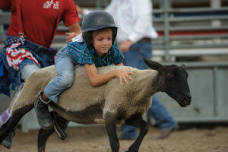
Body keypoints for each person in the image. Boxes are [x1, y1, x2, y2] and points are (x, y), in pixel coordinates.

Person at [0, 0, 81, 148]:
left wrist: (76, 37)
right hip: (18, 46)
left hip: (43, 53)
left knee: (69, 77)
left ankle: (59, 119)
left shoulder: (65, 2)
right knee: (34, 77)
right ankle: (19, 119)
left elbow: (76, 31)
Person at [34, 11, 134, 130]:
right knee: (66, 79)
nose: (106, 43)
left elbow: (122, 69)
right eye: (100, 39)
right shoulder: (84, 49)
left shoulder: (113, 48)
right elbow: (95, 80)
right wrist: (115, 73)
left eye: (109, 38)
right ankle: (41, 101)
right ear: (90, 40)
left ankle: (62, 116)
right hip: (67, 56)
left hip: (88, 59)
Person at [104, 0, 178, 140]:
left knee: (137, 86)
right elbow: (106, 15)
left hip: (135, 45)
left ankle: (166, 121)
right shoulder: (117, 2)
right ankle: (130, 130)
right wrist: (84, 12)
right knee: (129, 87)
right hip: (128, 47)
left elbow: (142, 22)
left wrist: (129, 41)